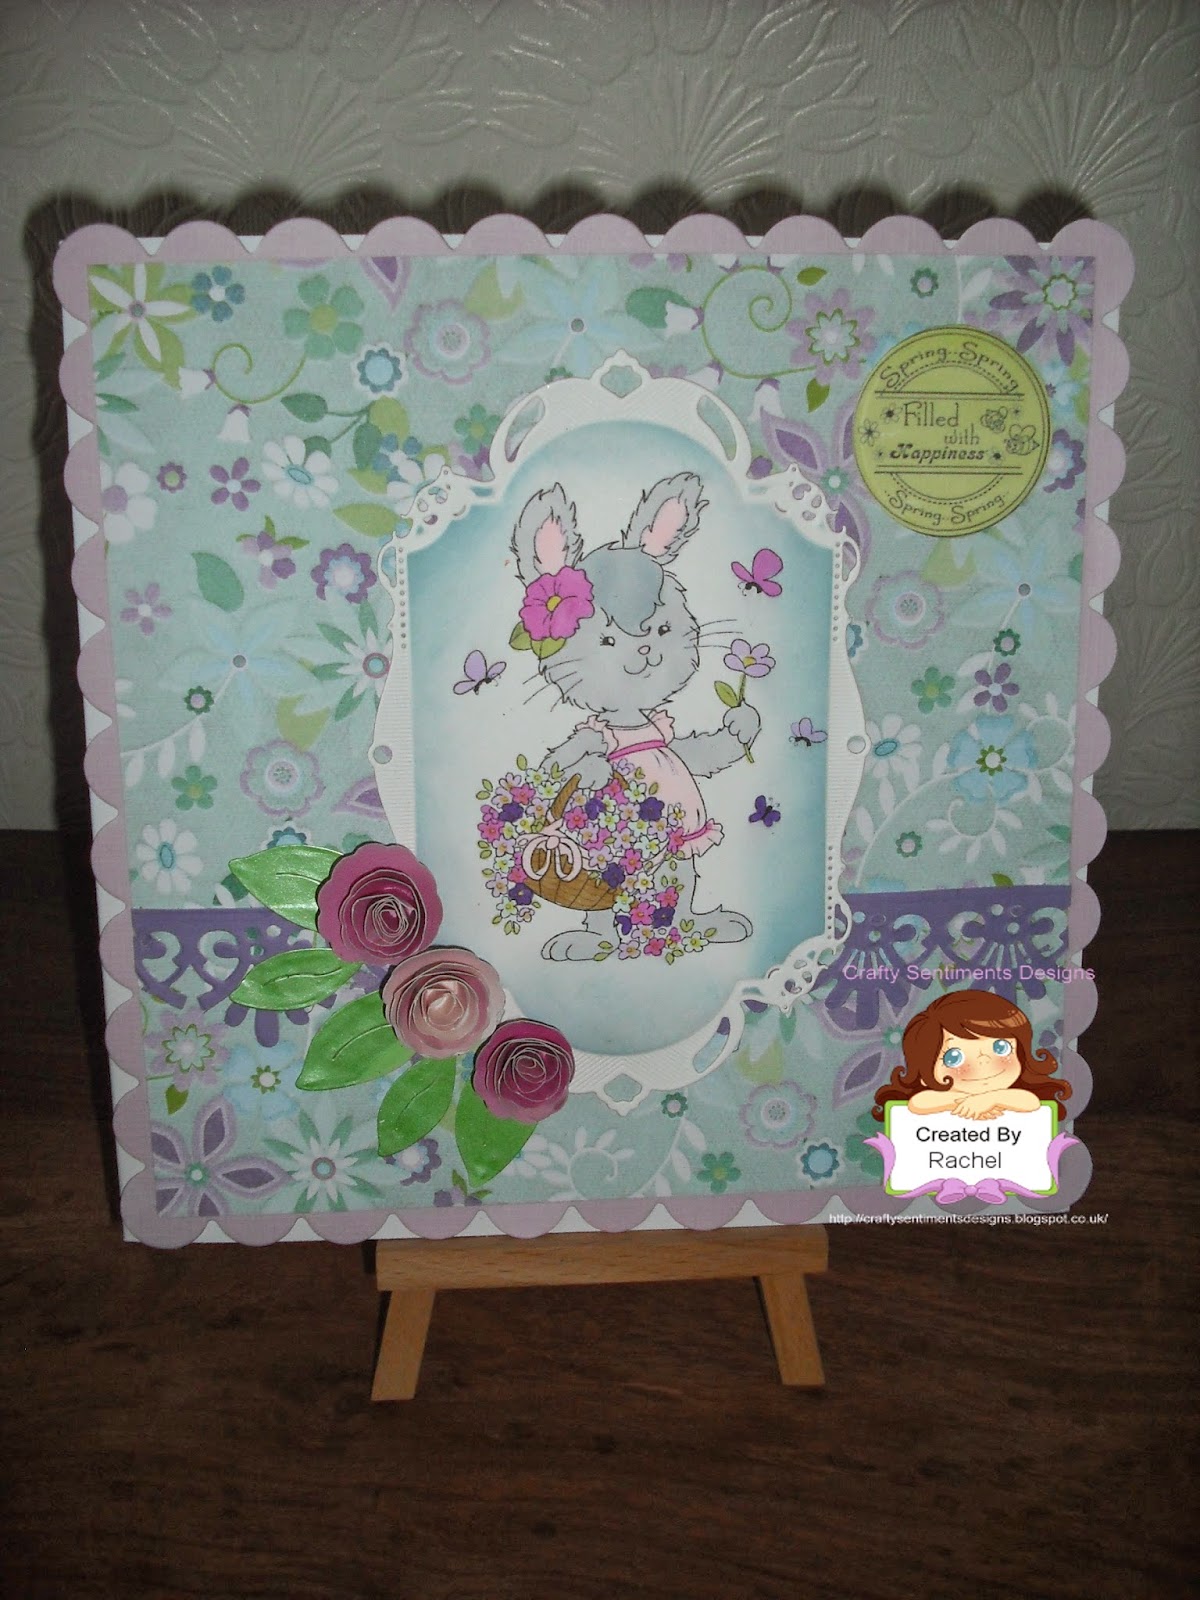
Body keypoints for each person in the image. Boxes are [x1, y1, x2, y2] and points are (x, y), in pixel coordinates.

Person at [870, 989, 1072, 1123]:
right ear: (925, 1072)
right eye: (954, 1057)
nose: (984, 1061)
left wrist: (990, 1099)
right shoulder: (930, 1097)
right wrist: (963, 1101)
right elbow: (918, 1103)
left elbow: (1030, 1102)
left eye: (1001, 1047)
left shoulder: (1019, 1097)